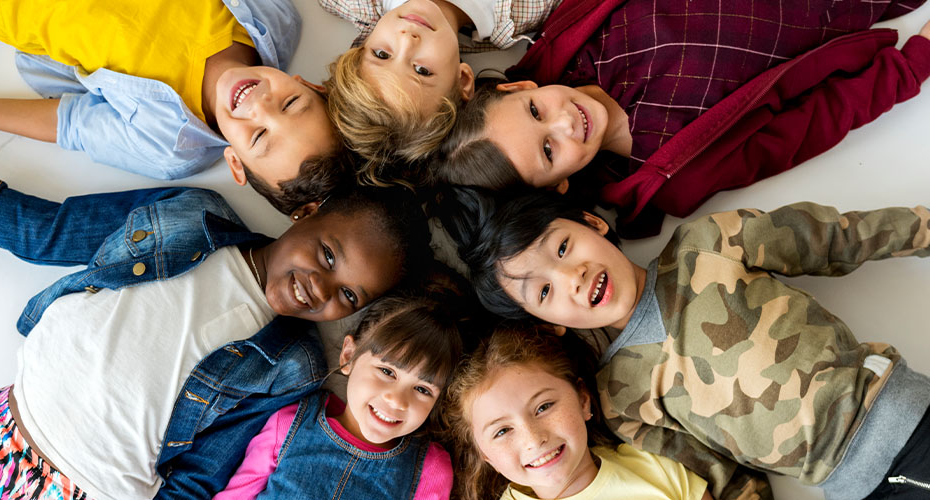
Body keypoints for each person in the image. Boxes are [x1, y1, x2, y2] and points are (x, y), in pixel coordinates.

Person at [0, 151, 432, 500]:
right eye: (328, 253)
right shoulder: (190, 214)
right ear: (306, 212)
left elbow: (200, 475)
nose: (321, 287)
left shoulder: (292, 364)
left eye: (349, 294)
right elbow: (49, 230)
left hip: (87, 486)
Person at [438, 187, 930, 500]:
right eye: (543, 291)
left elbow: (836, 238)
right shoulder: (620, 396)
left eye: (563, 247)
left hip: (901, 416)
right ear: (547, 324)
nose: (571, 276)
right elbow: (722, 477)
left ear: (593, 223)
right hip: (849, 487)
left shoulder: (708, 243)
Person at [434, 1, 930, 236]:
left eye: (536, 111)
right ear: (558, 186)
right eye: (549, 151)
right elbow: (813, 123)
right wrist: (912, 66)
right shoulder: (671, 170)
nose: (564, 123)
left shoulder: (575, 34)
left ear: (523, 88)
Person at [0, 0, 349, 214]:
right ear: (307, 84)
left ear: (235, 164)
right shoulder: (275, 20)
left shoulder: (169, 146)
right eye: (292, 104)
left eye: (259, 136)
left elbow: (70, 123)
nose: (261, 105)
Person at [214, 287, 470, 499]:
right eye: (387, 372)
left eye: (422, 389)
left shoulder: (430, 468)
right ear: (349, 357)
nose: (396, 399)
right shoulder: (290, 423)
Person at [444, 323, 742, 500]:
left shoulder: (655, 465)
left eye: (544, 407)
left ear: (583, 400)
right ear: (485, 455)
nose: (533, 439)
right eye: (502, 431)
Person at [321, 0, 556, 180]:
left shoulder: (357, 4)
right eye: (422, 70)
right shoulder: (524, 10)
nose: (407, 39)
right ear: (462, 80)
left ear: (363, 45)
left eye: (381, 54)